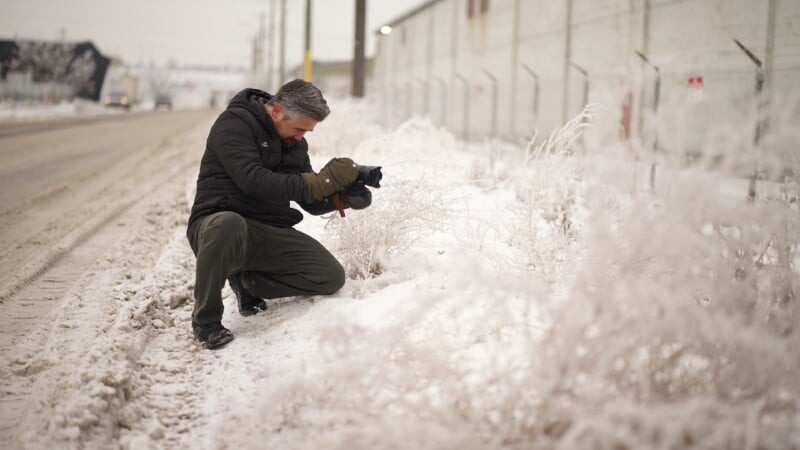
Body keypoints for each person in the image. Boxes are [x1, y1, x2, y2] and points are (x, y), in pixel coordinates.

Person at [186, 79, 378, 349]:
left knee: (329, 276)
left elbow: (307, 198)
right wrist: (322, 181)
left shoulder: (294, 143)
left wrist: (342, 196)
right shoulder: (234, 124)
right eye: (299, 128)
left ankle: (248, 283)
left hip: (267, 230)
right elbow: (252, 180)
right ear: (276, 110)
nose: (301, 137)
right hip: (217, 227)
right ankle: (206, 321)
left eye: (307, 132)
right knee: (228, 223)